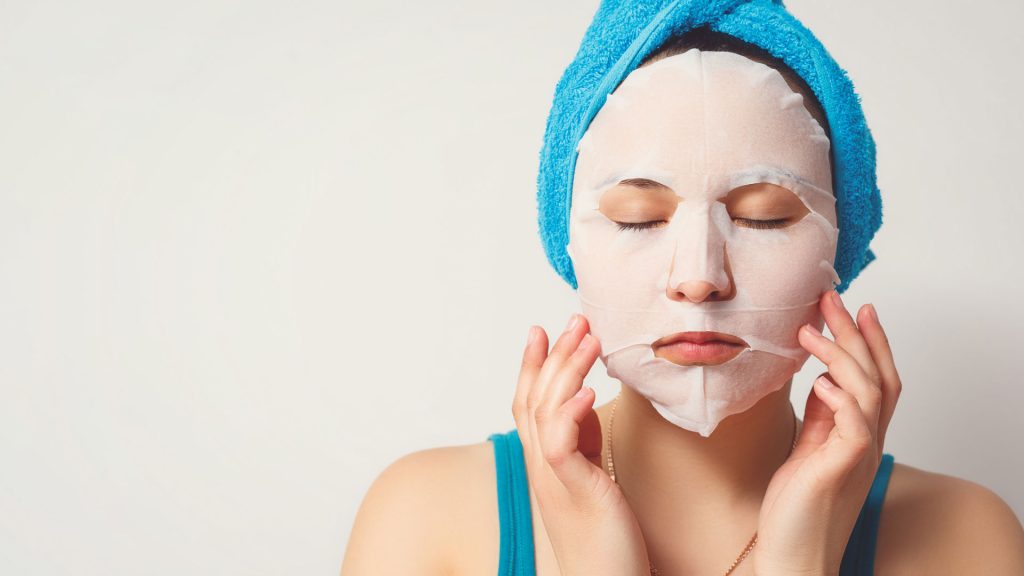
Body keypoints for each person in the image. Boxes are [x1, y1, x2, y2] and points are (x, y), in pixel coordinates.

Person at [341, 4, 1024, 575]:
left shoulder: (964, 540)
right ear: (569, 243)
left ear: (839, 244)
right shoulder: (424, 522)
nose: (698, 277)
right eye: (638, 218)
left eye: (765, 216)